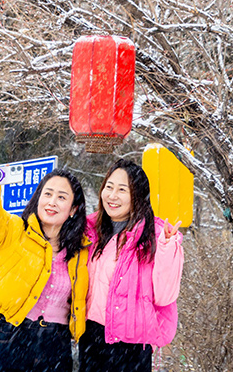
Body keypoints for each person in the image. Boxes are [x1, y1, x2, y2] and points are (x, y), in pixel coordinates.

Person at [0, 162, 89, 372]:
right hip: (14, 336)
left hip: (57, 344)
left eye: (61, 197)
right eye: (48, 194)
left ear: (73, 209)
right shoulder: (13, 231)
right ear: (38, 198)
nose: (52, 202)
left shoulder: (80, 252)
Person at [79, 158, 184, 372]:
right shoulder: (91, 231)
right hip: (91, 338)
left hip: (130, 346)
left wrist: (166, 247)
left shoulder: (155, 236)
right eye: (109, 187)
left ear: (137, 197)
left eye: (122, 190)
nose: (112, 196)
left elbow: (165, 296)